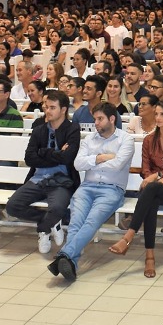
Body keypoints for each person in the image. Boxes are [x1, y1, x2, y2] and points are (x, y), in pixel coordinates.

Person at [47, 103, 134, 282]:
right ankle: (70, 262)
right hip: (86, 187)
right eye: (95, 119)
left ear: (112, 119)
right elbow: (78, 164)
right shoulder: (89, 139)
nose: (96, 123)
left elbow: (118, 165)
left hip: (112, 190)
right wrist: (101, 158)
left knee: (91, 222)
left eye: (100, 119)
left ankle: (64, 255)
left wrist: (91, 161)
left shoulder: (126, 139)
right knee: (75, 223)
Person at [109, 97, 163, 278]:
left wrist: (159, 176)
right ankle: (149, 257)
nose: (158, 118)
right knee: (150, 195)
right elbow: (145, 170)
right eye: (157, 114)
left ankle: (129, 237)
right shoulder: (149, 140)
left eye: (162, 114)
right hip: (152, 189)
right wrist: (154, 177)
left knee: (149, 190)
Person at [3, 89, 80, 257]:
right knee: (12, 206)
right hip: (38, 179)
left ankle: (44, 230)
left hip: (62, 180)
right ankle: (51, 222)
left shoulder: (72, 129)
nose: (48, 111)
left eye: (52, 107)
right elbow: (30, 159)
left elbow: (68, 158)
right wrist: (55, 154)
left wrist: (43, 152)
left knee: (58, 207)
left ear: (63, 109)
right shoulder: (39, 130)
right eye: (46, 107)